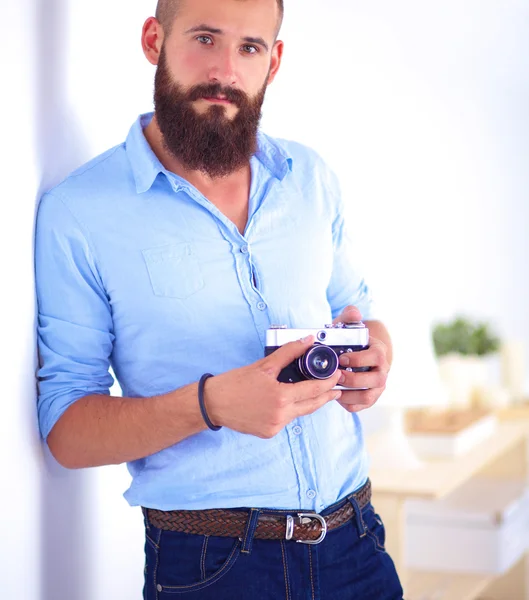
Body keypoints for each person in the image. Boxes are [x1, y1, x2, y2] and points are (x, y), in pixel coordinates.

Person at [35, 0, 404, 597]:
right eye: (205, 39)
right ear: (154, 39)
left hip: (356, 544)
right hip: (212, 568)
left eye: (249, 48)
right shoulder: (78, 213)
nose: (225, 71)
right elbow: (67, 428)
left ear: (274, 61)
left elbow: (356, 308)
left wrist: (375, 355)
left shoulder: (310, 178)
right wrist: (210, 404)